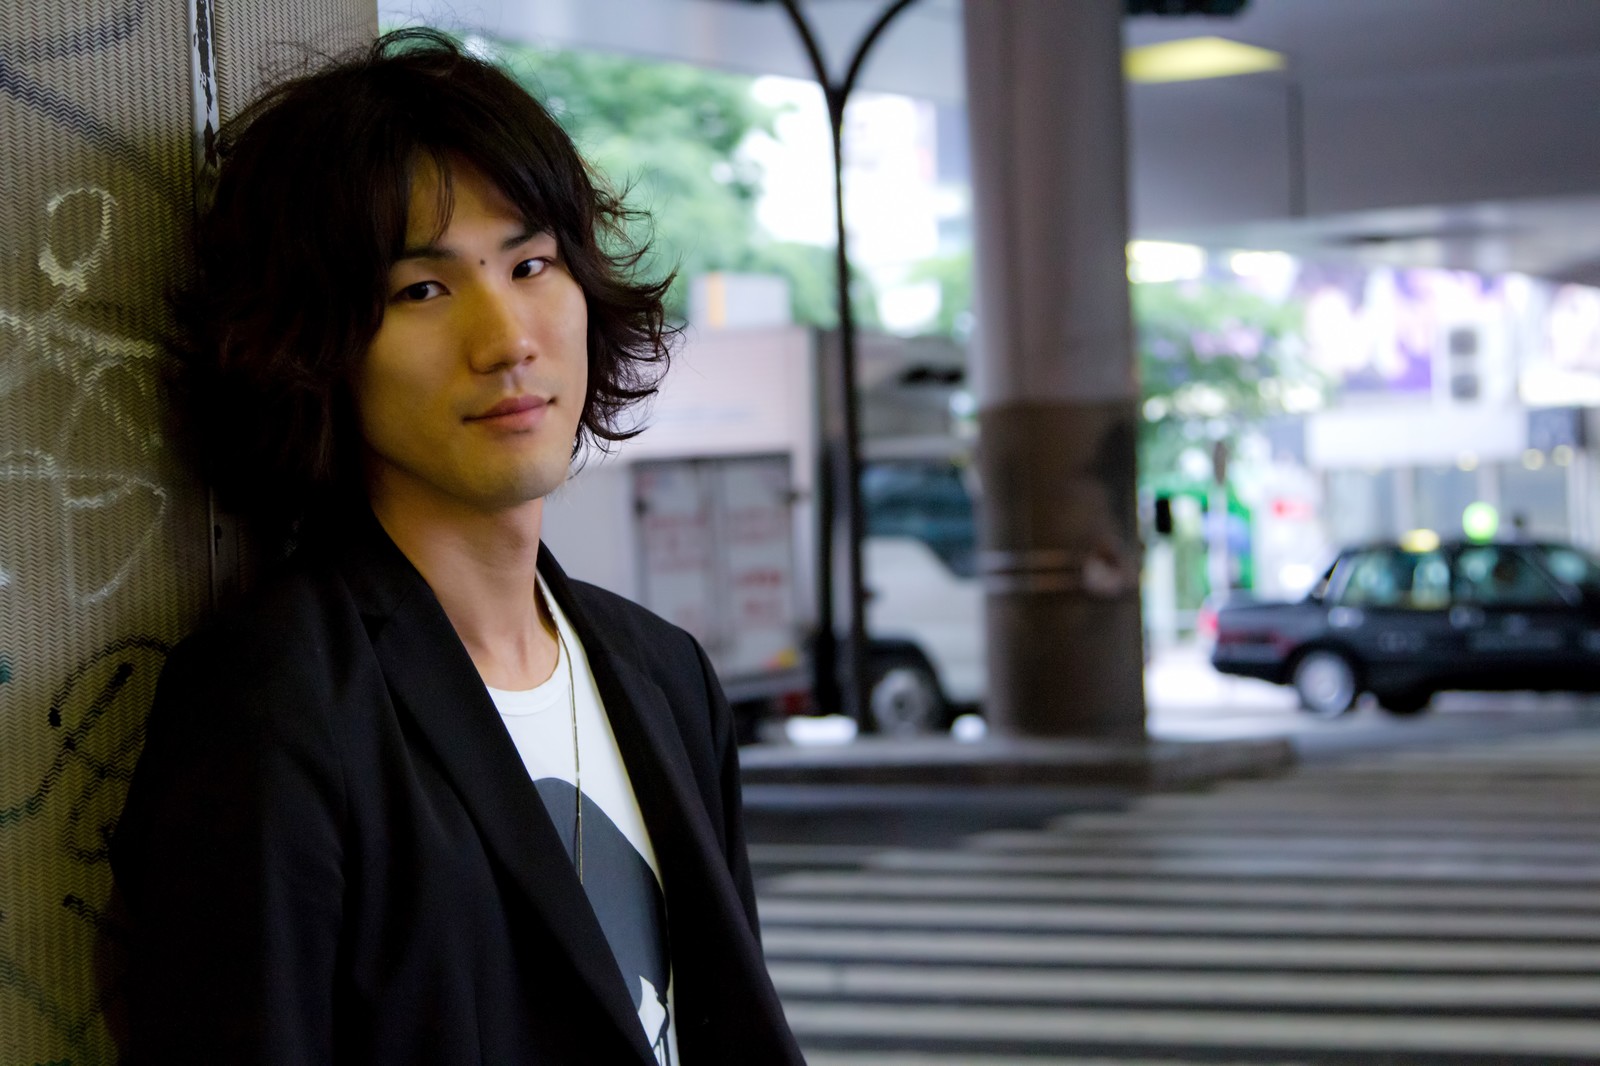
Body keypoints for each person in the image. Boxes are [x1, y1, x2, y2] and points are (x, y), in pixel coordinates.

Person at [110, 29, 804, 1065]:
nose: (507, 338)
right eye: (422, 291)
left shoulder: (665, 675)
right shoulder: (276, 699)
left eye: (531, 264)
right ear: (317, 346)